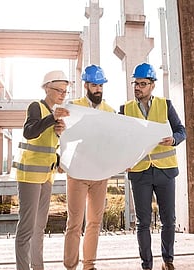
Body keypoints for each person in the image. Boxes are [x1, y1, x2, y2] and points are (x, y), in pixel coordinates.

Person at [119, 63, 186, 270]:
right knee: (143, 223)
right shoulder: (125, 109)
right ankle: (146, 265)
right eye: (135, 83)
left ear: (152, 85)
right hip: (140, 173)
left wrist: (173, 140)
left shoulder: (165, 105)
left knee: (168, 220)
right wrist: (123, 160)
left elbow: (181, 131)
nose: (137, 87)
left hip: (165, 171)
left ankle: (168, 261)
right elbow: (119, 140)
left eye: (142, 83)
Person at [13, 70, 70, 270]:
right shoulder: (36, 106)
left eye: (65, 91)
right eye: (59, 90)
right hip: (29, 175)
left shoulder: (55, 114)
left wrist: (58, 159)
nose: (63, 94)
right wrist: (51, 119)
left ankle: (38, 267)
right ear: (47, 88)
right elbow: (29, 132)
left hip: (47, 176)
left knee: (39, 227)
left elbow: (48, 147)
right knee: (27, 228)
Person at [63, 64, 115, 270]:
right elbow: (63, 136)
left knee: (94, 222)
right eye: (95, 85)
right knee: (74, 222)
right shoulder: (73, 107)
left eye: (101, 85)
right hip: (77, 173)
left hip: (100, 174)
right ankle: (70, 265)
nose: (99, 89)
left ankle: (89, 265)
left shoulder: (109, 111)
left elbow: (115, 141)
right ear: (86, 85)